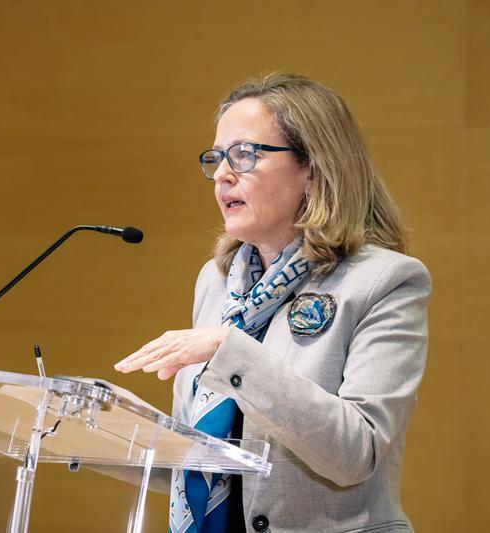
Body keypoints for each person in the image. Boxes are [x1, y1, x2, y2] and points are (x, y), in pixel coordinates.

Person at [114, 72, 431, 532]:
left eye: (244, 155)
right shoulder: (217, 282)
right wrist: (107, 429)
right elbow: (208, 460)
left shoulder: (383, 281)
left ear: (313, 167)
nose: (222, 174)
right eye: (217, 158)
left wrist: (231, 352)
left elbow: (356, 453)